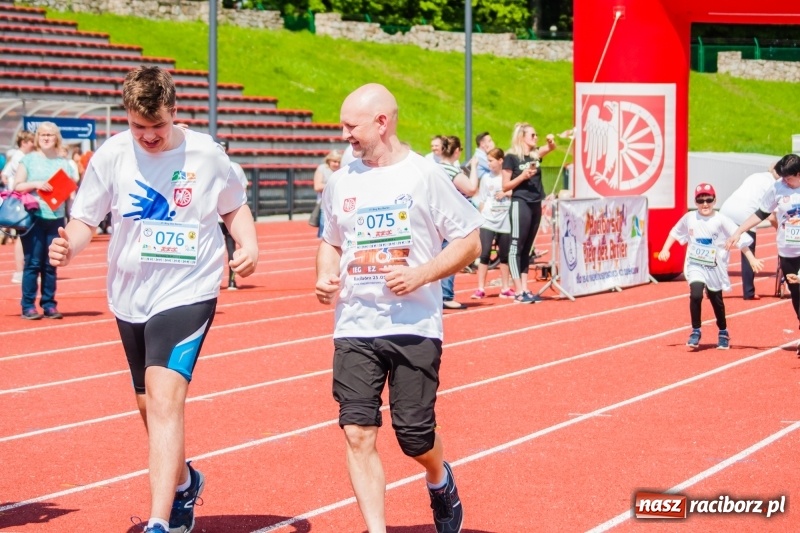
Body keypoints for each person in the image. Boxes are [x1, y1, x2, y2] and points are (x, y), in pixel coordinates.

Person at [48, 66, 259, 533]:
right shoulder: (113, 154)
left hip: (189, 290)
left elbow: (233, 205)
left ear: (175, 113)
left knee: (165, 401)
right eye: (138, 126)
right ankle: (184, 481)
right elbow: (85, 219)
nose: (147, 137)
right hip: (130, 294)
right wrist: (69, 247)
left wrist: (248, 243)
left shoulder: (206, 152)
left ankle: (161, 520)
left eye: (157, 127)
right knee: (147, 405)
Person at [315, 83, 482, 533]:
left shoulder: (424, 175)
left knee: (414, 437)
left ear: (382, 122)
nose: (344, 133)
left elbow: (469, 242)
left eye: (352, 125)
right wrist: (324, 275)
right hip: (353, 325)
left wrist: (422, 274)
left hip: (414, 324)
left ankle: (438, 476)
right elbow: (330, 240)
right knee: (356, 432)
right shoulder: (341, 180)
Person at [659, 183, 763, 349]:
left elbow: (739, 239)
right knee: (696, 295)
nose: (705, 204)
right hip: (695, 265)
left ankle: (723, 331)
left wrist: (751, 259)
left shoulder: (721, 219)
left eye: (708, 200)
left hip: (715, 266)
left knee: (716, 300)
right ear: (695, 202)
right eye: (700, 200)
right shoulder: (690, 217)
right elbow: (675, 232)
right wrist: (665, 249)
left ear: (715, 200)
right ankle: (695, 330)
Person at [726, 154, 800, 354]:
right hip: (787, 250)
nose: (784, 181)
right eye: (782, 178)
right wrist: (739, 230)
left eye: (788, 178)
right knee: (796, 294)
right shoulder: (777, 187)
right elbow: (761, 213)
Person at [12, 122, 77, 319]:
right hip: (34, 216)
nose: (46, 138)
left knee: (51, 264)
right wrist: (37, 184)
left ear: (56, 138)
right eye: (42, 135)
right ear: (37, 138)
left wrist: (72, 216)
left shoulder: (64, 163)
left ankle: (49, 304)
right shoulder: (29, 160)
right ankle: (28, 305)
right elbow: (17, 185)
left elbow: (69, 193)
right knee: (32, 262)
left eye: (50, 135)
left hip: (56, 217)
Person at [502, 122, 556, 304]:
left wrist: (550, 141)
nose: (535, 138)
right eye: (532, 135)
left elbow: (550, 148)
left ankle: (525, 288)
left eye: (536, 135)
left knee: (528, 248)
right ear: (522, 137)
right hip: (520, 202)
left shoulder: (534, 155)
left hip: (535, 203)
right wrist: (522, 176)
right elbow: (505, 185)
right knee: (516, 245)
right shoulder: (511, 157)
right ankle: (517, 290)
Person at [719, 166, 779, 300]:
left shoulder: (756, 175)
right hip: (745, 215)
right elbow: (771, 217)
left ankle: (710, 287)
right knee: (748, 253)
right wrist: (780, 230)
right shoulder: (776, 185)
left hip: (725, 209)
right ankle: (749, 292)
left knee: (719, 251)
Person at [438, 135, 479, 310]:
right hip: (450, 218)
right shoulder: (452, 171)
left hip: (432, 216)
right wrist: (474, 168)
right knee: (451, 255)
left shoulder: (432, 168)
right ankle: (446, 295)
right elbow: (471, 189)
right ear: (456, 151)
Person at [471, 147, 513, 299]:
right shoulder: (486, 178)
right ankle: (481, 288)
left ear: (500, 161)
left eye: (491, 161)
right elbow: (482, 198)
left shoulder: (507, 176)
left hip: (504, 219)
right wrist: (482, 215)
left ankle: (505, 287)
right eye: (487, 160)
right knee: (485, 253)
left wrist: (506, 192)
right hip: (488, 220)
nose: (488, 164)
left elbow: (515, 191)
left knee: (504, 255)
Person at [1, 131, 35, 279]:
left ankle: (23, 270)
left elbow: (4, 174)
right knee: (24, 235)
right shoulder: (21, 157)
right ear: (24, 142)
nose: (33, 145)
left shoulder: (16, 156)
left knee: (23, 235)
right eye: (31, 142)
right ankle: (20, 270)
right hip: (21, 200)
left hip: (19, 199)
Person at [217, 139, 250, 289]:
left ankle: (232, 280)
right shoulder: (209, 164)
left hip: (228, 216)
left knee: (232, 250)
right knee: (211, 251)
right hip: (214, 218)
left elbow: (242, 191)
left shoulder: (235, 167)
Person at [312, 149, 342, 238]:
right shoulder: (322, 169)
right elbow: (317, 186)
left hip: (338, 206)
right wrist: (333, 186)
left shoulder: (341, 170)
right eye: (334, 161)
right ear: (329, 160)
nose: (337, 164)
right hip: (325, 207)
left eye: (339, 162)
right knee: (324, 235)